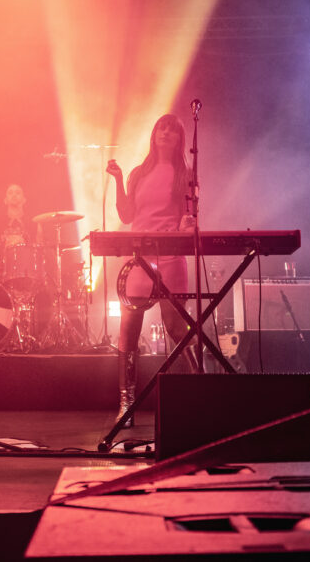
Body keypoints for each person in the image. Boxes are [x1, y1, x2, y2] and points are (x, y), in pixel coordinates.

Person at [106, 113, 194, 426]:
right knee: (128, 331)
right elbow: (127, 214)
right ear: (154, 134)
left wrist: (188, 225)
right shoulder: (138, 173)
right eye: (161, 127)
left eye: (172, 129)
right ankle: (126, 404)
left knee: (176, 327)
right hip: (140, 259)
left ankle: (200, 390)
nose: (165, 133)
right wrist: (117, 179)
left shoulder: (186, 173)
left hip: (171, 256)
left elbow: (189, 215)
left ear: (180, 138)